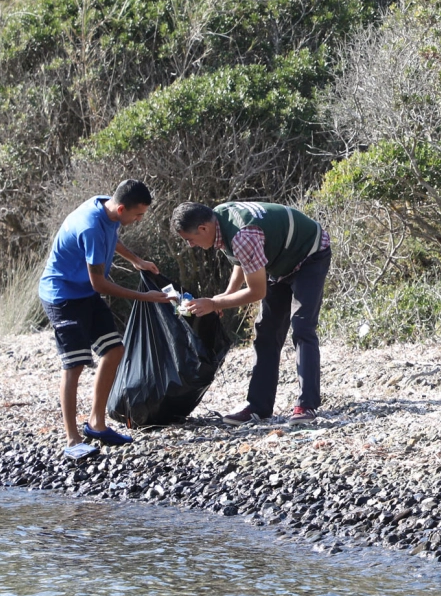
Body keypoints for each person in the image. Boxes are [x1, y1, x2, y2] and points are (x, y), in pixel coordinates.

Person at [170, 199, 331, 426]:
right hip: (279, 262)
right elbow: (242, 260)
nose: (191, 245)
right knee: (266, 330)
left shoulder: (242, 233)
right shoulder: (220, 220)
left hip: (309, 254)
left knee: (302, 326)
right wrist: (224, 296)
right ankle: (258, 407)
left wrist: (215, 304)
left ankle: (307, 404)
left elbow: (257, 291)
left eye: (190, 239)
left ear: (203, 228)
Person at [37, 179, 168, 453]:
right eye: (138, 215)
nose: (140, 219)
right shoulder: (90, 226)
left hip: (84, 293)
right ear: (121, 209)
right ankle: (73, 440)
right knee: (74, 365)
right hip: (62, 296)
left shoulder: (105, 204)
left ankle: (96, 424)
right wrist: (144, 297)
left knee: (114, 351)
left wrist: (136, 260)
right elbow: (100, 284)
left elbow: (112, 237)